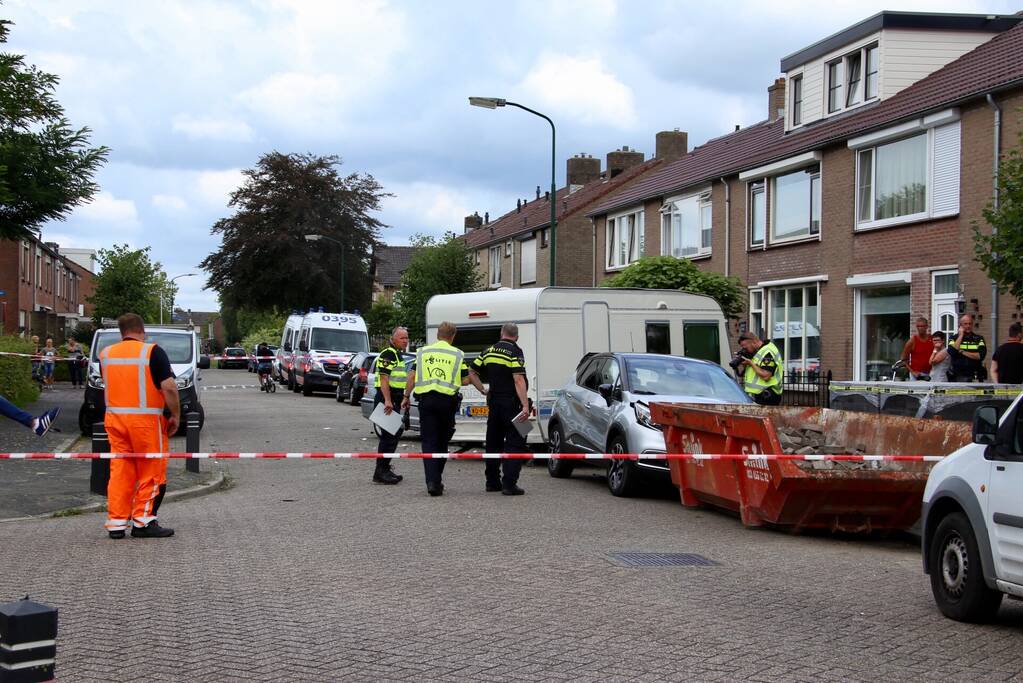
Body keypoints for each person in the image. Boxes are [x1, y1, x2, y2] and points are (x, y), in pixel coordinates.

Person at [100, 313, 180, 539]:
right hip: (145, 423)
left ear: (122, 332)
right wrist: (175, 414)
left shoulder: (106, 354)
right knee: (151, 471)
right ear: (142, 330)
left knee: (120, 471)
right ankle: (144, 521)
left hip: (115, 421)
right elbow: (170, 387)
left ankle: (116, 523)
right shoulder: (152, 351)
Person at [401, 321, 485, 497]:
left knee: (429, 442)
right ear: (452, 336)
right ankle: (436, 478)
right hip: (447, 403)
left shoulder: (422, 352)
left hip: (426, 401)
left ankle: (432, 482)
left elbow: (412, 376)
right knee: (442, 441)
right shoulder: (457, 354)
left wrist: (406, 396)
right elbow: (464, 380)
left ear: (438, 334)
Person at [470, 323, 529, 496]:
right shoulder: (515, 351)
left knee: (493, 442)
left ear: (501, 333)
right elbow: (518, 379)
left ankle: (492, 482)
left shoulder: (489, 350)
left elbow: (472, 371)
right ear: (516, 337)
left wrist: (483, 389)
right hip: (513, 403)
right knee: (518, 440)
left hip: (494, 403)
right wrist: (525, 405)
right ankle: (509, 484)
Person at [371, 326, 410, 485]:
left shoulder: (397, 355)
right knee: (389, 437)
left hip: (394, 399)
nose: (405, 341)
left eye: (407, 338)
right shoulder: (388, 354)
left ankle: (384, 469)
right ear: (393, 339)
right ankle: (381, 472)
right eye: (402, 338)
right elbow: (384, 379)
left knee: (393, 436)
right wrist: (387, 400)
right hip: (386, 399)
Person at [736, 330, 783, 405]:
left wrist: (751, 363)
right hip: (759, 395)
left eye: (745, 346)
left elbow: (766, 376)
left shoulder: (767, 351)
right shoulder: (758, 351)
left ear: (754, 342)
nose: (744, 349)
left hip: (767, 396)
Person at [946, 314, 987, 382]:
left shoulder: (979, 339)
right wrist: (961, 336)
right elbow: (952, 352)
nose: (968, 326)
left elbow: (980, 356)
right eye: (965, 324)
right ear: (960, 325)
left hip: (975, 376)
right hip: (957, 376)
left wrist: (962, 351)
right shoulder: (953, 338)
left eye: (970, 324)